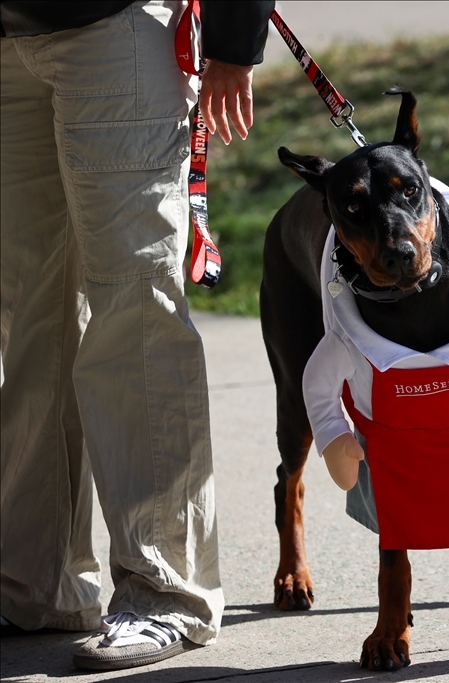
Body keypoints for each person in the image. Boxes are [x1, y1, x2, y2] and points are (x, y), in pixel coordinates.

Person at [0, 0, 274, 670]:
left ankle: (166, 591)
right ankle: (36, 585)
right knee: (31, 320)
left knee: (133, 309)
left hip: (115, 24)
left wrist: (234, 41)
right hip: (10, 40)